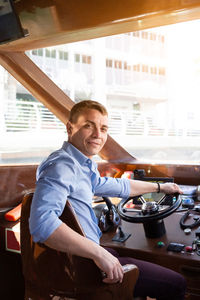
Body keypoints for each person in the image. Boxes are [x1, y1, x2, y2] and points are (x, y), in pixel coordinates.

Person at [30, 100, 186, 299]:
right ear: (70, 128)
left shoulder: (80, 166)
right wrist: (99, 253)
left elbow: (119, 186)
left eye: (103, 128)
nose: (98, 134)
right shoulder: (63, 166)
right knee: (177, 284)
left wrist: (160, 187)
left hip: (75, 259)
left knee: (119, 255)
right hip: (81, 266)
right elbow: (42, 224)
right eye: (89, 125)